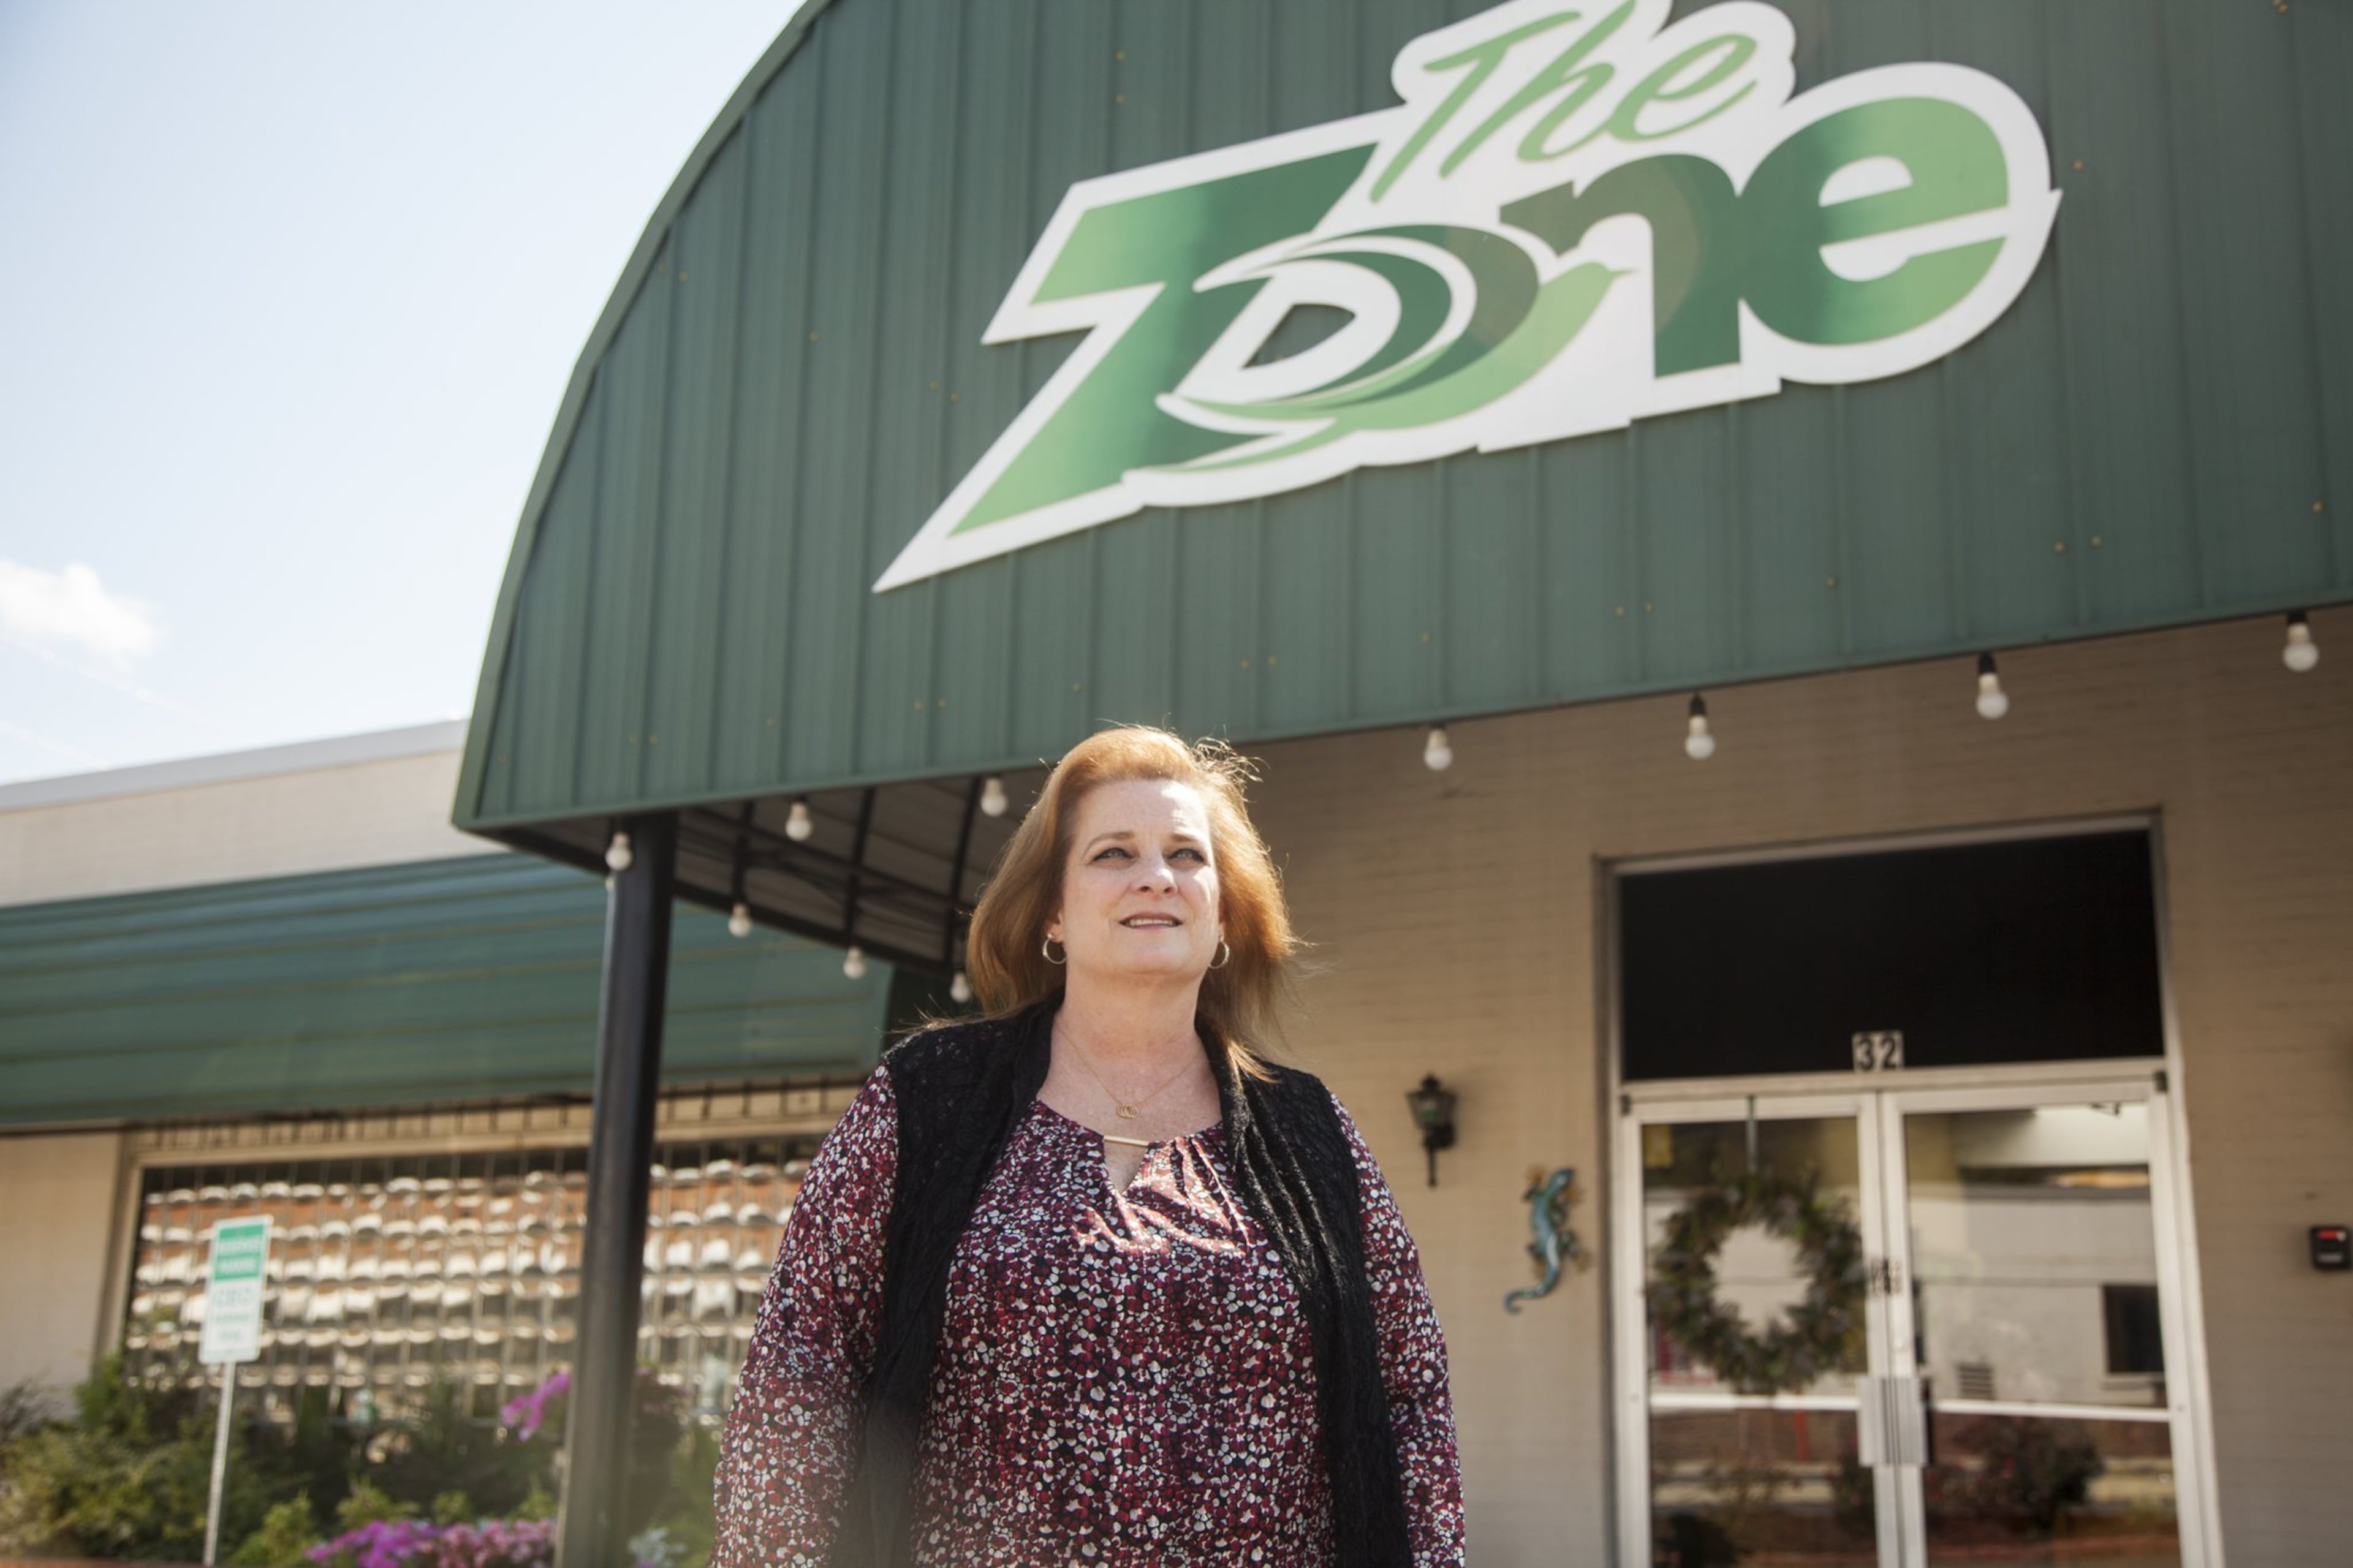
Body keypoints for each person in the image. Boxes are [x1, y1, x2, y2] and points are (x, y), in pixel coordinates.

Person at [711, 725, 1464, 1567]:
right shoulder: (927, 1100)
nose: (1157, 876)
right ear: (1054, 913)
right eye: (1114, 854)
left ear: (1222, 913)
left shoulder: (1308, 1129)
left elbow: (1410, 1394)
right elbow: (802, 1367)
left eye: (1187, 855)